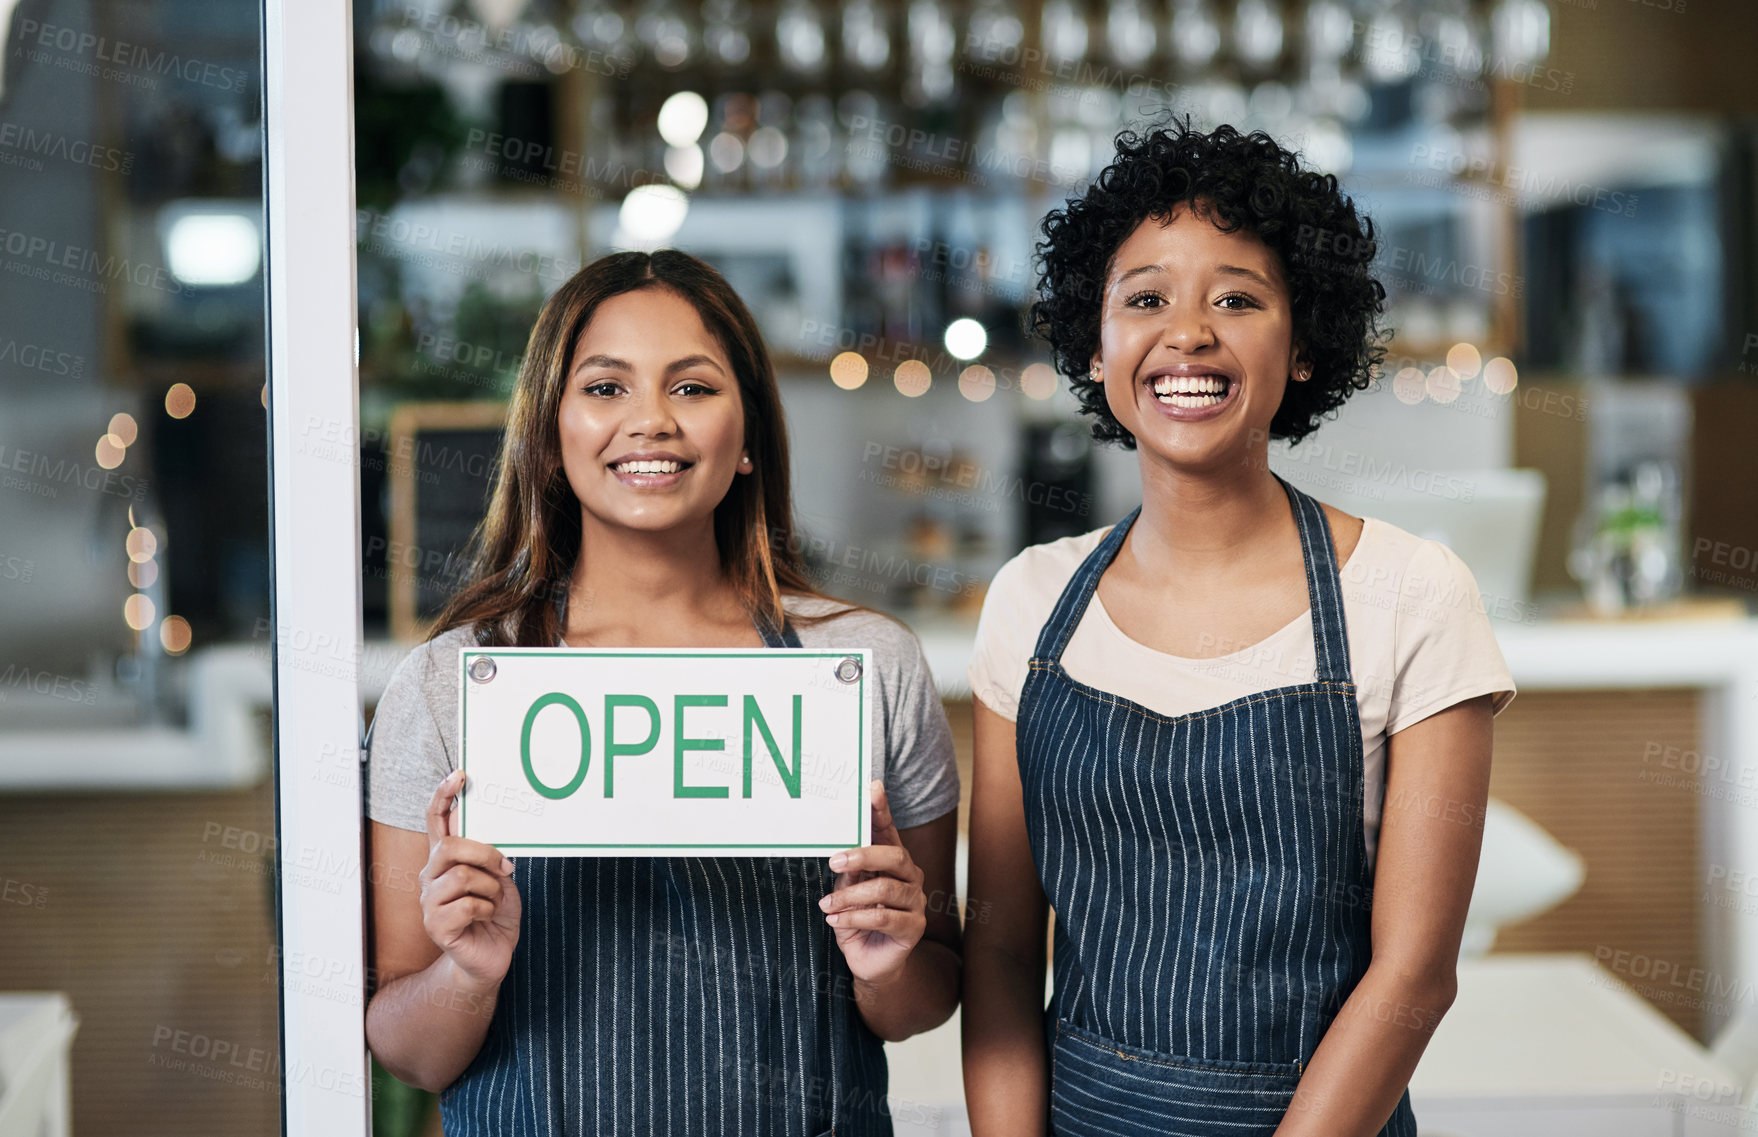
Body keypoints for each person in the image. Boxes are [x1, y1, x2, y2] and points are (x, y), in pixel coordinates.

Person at [961, 121, 1516, 1136]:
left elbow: (1414, 976)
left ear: (1303, 345)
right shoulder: (1029, 602)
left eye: (1237, 298)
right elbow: (999, 950)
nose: (1188, 334)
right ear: (1096, 344)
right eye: (1144, 299)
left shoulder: (1412, 593)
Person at [363, 249, 961, 1136]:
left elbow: (927, 996)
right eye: (606, 388)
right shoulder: (448, 685)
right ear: (549, 433)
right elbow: (409, 1051)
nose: (650, 422)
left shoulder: (872, 665)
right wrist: (467, 973)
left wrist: (887, 962)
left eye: (692, 388)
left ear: (750, 431)